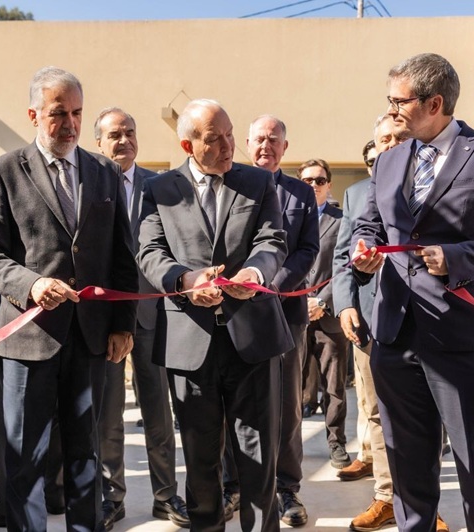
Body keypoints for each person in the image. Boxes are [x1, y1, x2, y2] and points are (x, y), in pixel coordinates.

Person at [351, 53, 474, 532]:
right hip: (395, 335)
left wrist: (457, 257)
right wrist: (363, 249)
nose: (391, 111)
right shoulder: (389, 160)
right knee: (408, 467)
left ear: (434, 103)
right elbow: (371, 223)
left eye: (399, 101)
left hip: (462, 337)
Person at [0, 66, 139, 531]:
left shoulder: (104, 172)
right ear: (34, 115)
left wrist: (123, 323)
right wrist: (31, 285)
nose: (70, 124)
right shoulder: (3, 171)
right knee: (25, 458)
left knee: (86, 456)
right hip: (28, 340)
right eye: (59, 113)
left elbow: (122, 256)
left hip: (90, 339)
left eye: (77, 113)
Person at [137, 99, 291, 531]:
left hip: (252, 339)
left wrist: (255, 273)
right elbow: (150, 252)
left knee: (258, 457)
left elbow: (273, 240)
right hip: (190, 342)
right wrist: (185, 281)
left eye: (229, 134)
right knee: (200, 459)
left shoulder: (258, 182)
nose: (228, 146)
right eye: (214, 139)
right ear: (187, 145)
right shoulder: (158, 189)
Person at [95, 106, 189, 529]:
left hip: (153, 314)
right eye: (115, 134)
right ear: (99, 143)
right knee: (108, 414)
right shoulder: (88, 183)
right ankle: (111, 497)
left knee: (158, 412)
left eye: (130, 132)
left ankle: (166, 496)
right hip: (104, 319)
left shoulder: (160, 186)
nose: (124, 140)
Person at [221, 114, 317, 528]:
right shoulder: (231, 185)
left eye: (273, 139)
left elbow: (308, 249)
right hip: (234, 315)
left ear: (285, 147)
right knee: (233, 403)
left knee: (286, 407)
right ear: (247, 143)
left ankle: (286, 488)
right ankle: (233, 485)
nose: (266, 146)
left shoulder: (301, 194)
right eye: (259, 139)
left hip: (284, 313)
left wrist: (270, 284)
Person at [335, 115, 412, 532]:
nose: (392, 145)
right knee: (378, 413)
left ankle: (422, 503)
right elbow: (343, 254)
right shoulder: (356, 194)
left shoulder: (431, 185)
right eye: (384, 139)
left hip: (424, 320)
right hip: (371, 321)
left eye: (400, 137)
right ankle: (386, 497)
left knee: (423, 415)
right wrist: (345, 304)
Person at [299, 158, 351, 473]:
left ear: (329, 185)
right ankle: (289, 445)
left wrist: (321, 300)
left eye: (319, 180)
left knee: (334, 386)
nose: (314, 185)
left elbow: (345, 265)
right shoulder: (287, 218)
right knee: (291, 386)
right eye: (308, 180)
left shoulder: (342, 220)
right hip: (294, 314)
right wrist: (301, 300)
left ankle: (336, 442)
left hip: (329, 314)